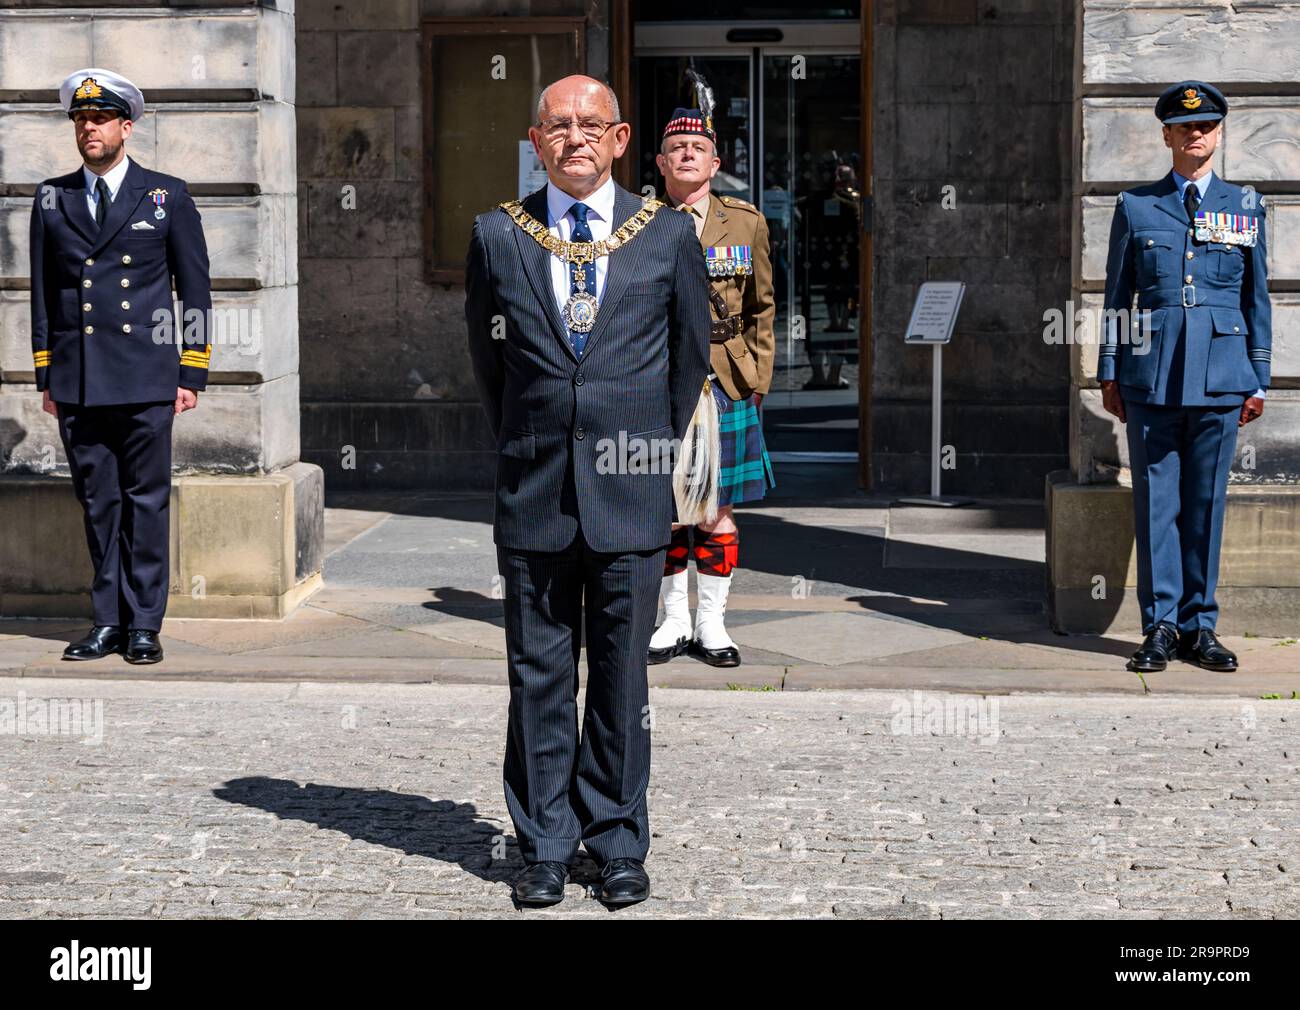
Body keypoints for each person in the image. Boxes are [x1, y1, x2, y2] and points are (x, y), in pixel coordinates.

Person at [464, 75, 710, 906]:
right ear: (536, 141)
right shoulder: (499, 235)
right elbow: (490, 368)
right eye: (556, 125)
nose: (573, 137)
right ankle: (542, 843)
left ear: (619, 138)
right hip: (534, 490)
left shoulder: (666, 234)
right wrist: (536, 443)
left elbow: (687, 364)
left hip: (630, 496)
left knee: (620, 680)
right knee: (536, 676)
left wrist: (640, 451)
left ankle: (615, 841)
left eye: (589, 125)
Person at [31, 69, 212, 665]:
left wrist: (191, 372)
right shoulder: (52, 197)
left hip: (146, 376)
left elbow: (196, 290)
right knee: (99, 501)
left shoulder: (166, 194)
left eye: (101, 119)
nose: (89, 128)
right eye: (81, 120)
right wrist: (46, 374)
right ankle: (106, 621)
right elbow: (43, 292)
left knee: (147, 501)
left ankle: (145, 624)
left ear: (125, 127)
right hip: (80, 377)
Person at [1099, 80, 1269, 674]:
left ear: (1219, 134)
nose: (1195, 135)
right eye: (1184, 127)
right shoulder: (1136, 205)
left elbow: (1256, 298)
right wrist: (1109, 371)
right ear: (1166, 134)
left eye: (1206, 127)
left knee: (1205, 506)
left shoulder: (1245, 205)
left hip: (1223, 374)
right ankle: (1161, 627)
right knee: (1156, 504)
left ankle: (1202, 627)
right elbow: (1119, 296)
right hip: (1152, 377)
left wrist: (1260, 376)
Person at [648, 75, 776, 668]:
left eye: (698, 148)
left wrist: (757, 374)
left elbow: (763, 304)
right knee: (670, 508)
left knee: (717, 510)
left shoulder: (745, 221)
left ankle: (712, 624)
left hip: (726, 379)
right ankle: (671, 619)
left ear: (715, 160)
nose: (688, 155)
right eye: (677, 149)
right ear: (661, 161)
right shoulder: (640, 221)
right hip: (662, 382)